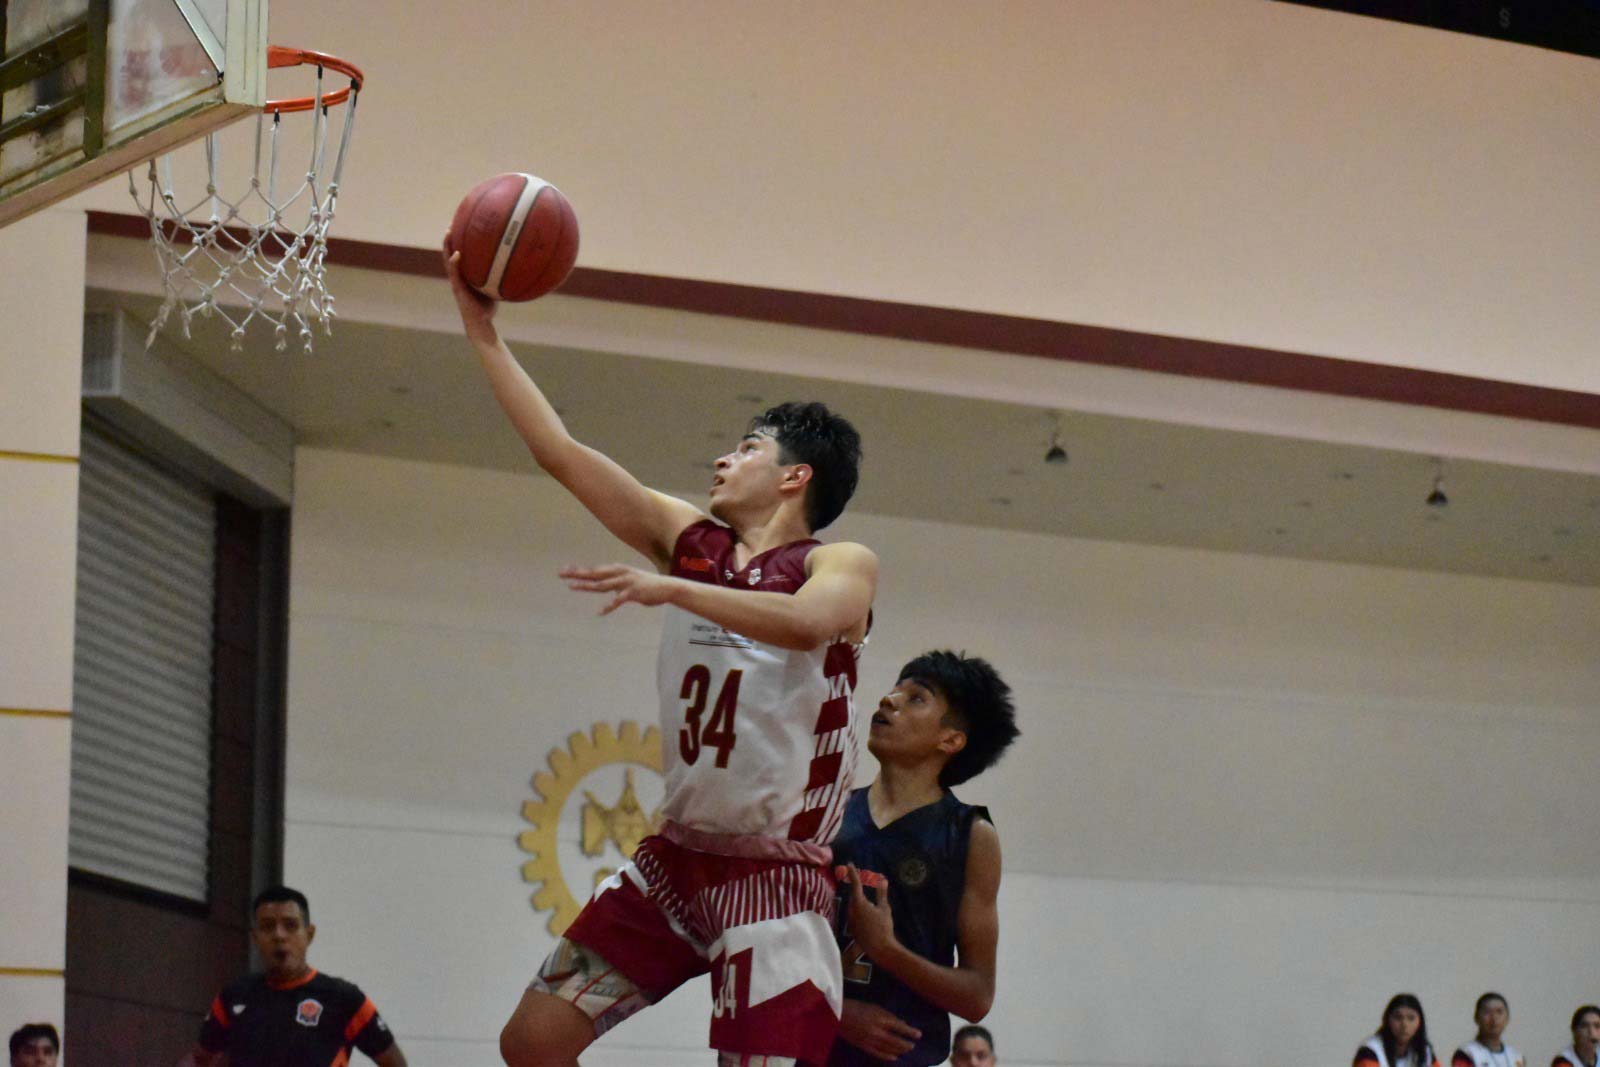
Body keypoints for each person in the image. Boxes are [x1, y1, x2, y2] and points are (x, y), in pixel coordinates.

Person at [444, 242, 877, 1067]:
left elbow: (809, 624)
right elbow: (560, 452)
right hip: (674, 860)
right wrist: (483, 333)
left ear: (796, 477)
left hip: (774, 885)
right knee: (532, 1042)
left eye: (749, 446)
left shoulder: (840, 560)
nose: (724, 458)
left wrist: (674, 592)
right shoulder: (688, 538)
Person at [826, 651, 1017, 1067]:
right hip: (811, 1051)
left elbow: (977, 997)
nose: (888, 700)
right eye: (895, 689)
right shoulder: (826, 813)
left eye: (916, 698)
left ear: (950, 740)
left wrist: (886, 949)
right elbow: (773, 939)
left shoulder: (971, 836)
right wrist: (835, 1014)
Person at [184, 886, 406, 1067]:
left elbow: (394, 1062)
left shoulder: (343, 998)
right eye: (268, 927)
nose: (279, 935)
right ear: (255, 937)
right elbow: (200, 1058)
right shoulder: (234, 996)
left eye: (290, 926)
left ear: (309, 935)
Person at [1355, 994, 1441, 1067]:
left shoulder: (1425, 1052)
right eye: (1398, 1017)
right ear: (1388, 1020)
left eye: (1411, 1018)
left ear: (1420, 1022)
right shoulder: (1370, 1051)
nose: (1404, 1025)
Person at [1452, 993, 1524, 1067]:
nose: (1494, 1019)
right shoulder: (1466, 1053)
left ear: (1507, 1018)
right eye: (1487, 1012)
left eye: (1499, 1012)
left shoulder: (1516, 1057)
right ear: (1476, 1018)